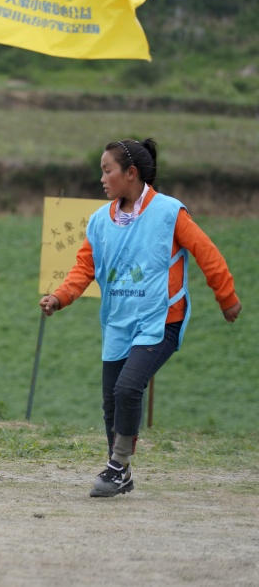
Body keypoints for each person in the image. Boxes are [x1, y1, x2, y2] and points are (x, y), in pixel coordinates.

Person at [39, 138, 241, 498]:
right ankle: (121, 471)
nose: (102, 178)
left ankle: (117, 466)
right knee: (111, 402)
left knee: (128, 389)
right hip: (118, 322)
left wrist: (226, 297)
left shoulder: (169, 212)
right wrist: (59, 297)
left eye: (107, 171)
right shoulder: (99, 221)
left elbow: (206, 252)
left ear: (131, 173)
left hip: (161, 321)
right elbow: (84, 267)